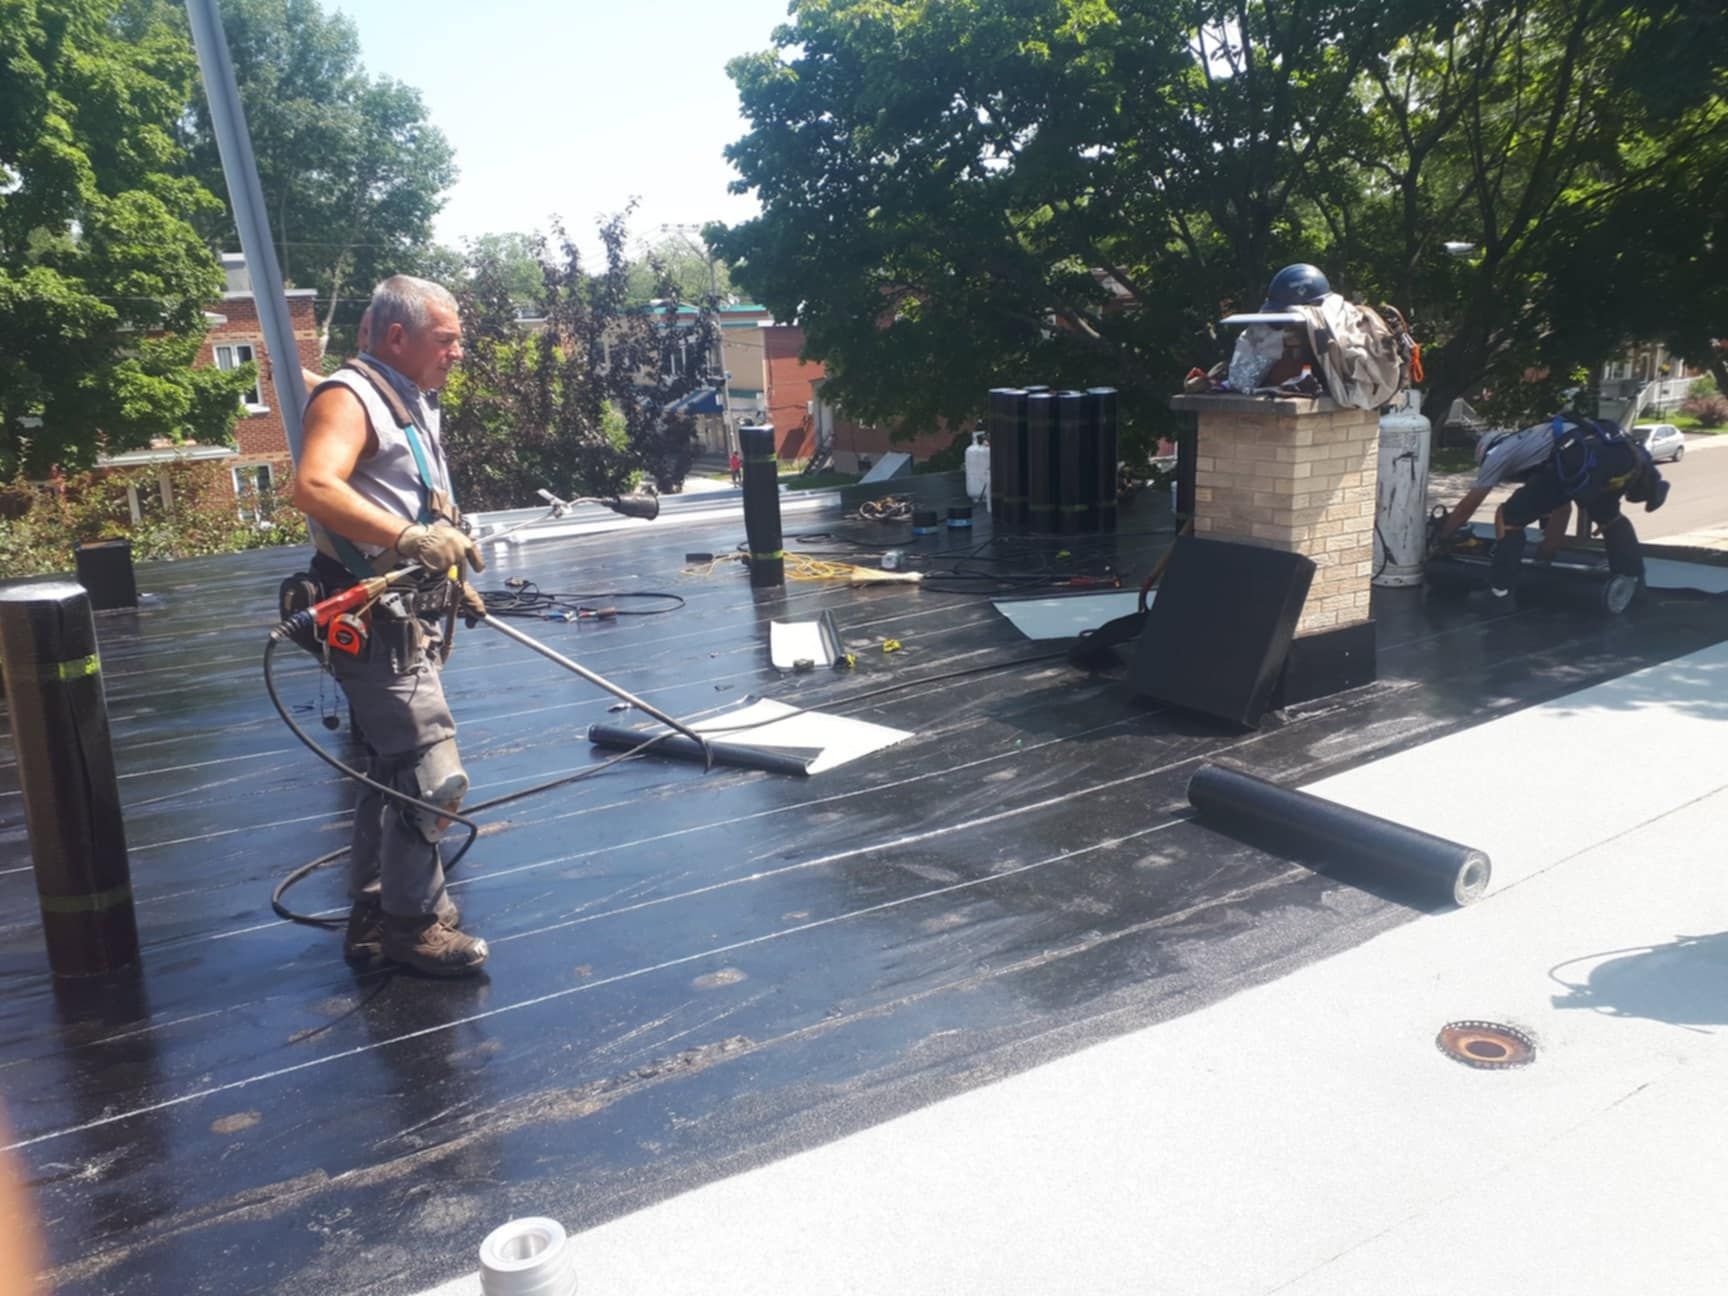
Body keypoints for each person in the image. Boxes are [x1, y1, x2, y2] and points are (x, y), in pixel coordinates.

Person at [294, 276, 490, 977]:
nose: (458, 352)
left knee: (387, 766)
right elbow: (314, 485)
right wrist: (409, 541)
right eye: (447, 340)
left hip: (406, 615)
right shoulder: (350, 398)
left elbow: (417, 498)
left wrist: (452, 577)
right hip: (371, 615)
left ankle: (379, 910)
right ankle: (414, 927)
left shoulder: (406, 398)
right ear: (397, 337)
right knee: (428, 769)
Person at [1434, 413, 1669, 602]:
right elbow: (1561, 507)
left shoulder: (1498, 455)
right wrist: (1545, 554)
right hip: (1615, 462)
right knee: (1610, 518)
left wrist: (1442, 538)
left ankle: (1500, 591)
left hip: (1582, 464)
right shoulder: (1537, 440)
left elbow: (1468, 506)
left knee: (1508, 516)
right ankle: (1635, 582)